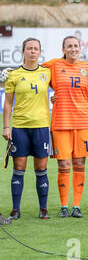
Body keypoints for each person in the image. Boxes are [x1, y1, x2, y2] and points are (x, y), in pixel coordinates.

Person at [45, 36, 88, 218]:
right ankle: (64, 206)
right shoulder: (54, 65)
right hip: (61, 122)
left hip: (82, 122)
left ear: (80, 48)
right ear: (64, 48)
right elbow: (35, 73)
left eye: (76, 46)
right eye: (70, 46)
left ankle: (76, 206)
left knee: (79, 163)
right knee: (64, 164)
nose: (73, 49)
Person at [2, 38, 51, 220]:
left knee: (41, 168)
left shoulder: (47, 72)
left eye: (35, 48)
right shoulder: (13, 75)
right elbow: (7, 103)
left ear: (39, 52)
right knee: (19, 168)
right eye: (29, 48)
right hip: (20, 127)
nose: (32, 51)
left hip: (41, 127)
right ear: (23, 51)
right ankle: (16, 210)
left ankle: (43, 209)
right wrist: (6, 126)